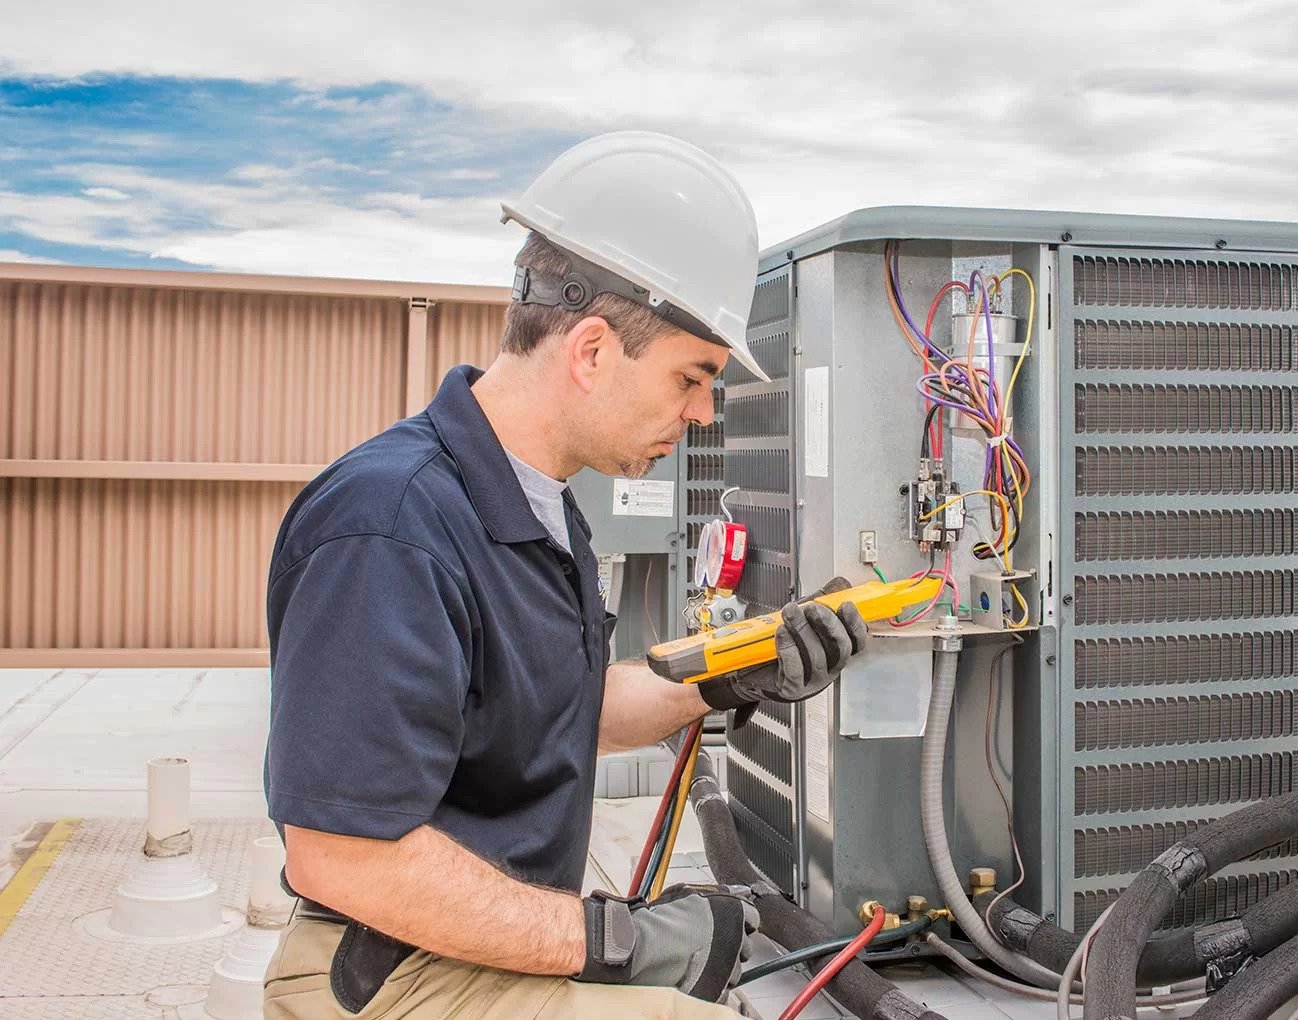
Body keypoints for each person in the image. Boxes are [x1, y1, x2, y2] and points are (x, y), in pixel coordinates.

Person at [260, 132, 869, 1018]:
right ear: (590, 351)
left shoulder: (535, 507)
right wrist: (610, 940)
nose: (702, 413)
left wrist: (736, 669)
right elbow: (343, 853)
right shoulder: (391, 529)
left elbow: (562, 717)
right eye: (692, 377)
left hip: (468, 945)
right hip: (387, 972)